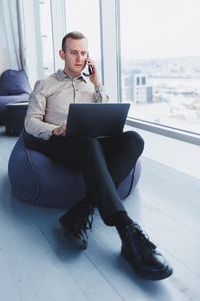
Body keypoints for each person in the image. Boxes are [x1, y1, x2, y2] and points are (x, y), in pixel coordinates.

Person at [24, 31, 173, 281]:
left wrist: (98, 84)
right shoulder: (46, 84)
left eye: (83, 53)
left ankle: (81, 209)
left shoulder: (91, 86)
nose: (79, 58)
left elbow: (106, 116)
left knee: (134, 139)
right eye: (74, 52)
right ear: (62, 54)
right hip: (59, 142)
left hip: (90, 143)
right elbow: (30, 122)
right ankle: (126, 228)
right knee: (88, 144)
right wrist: (56, 129)